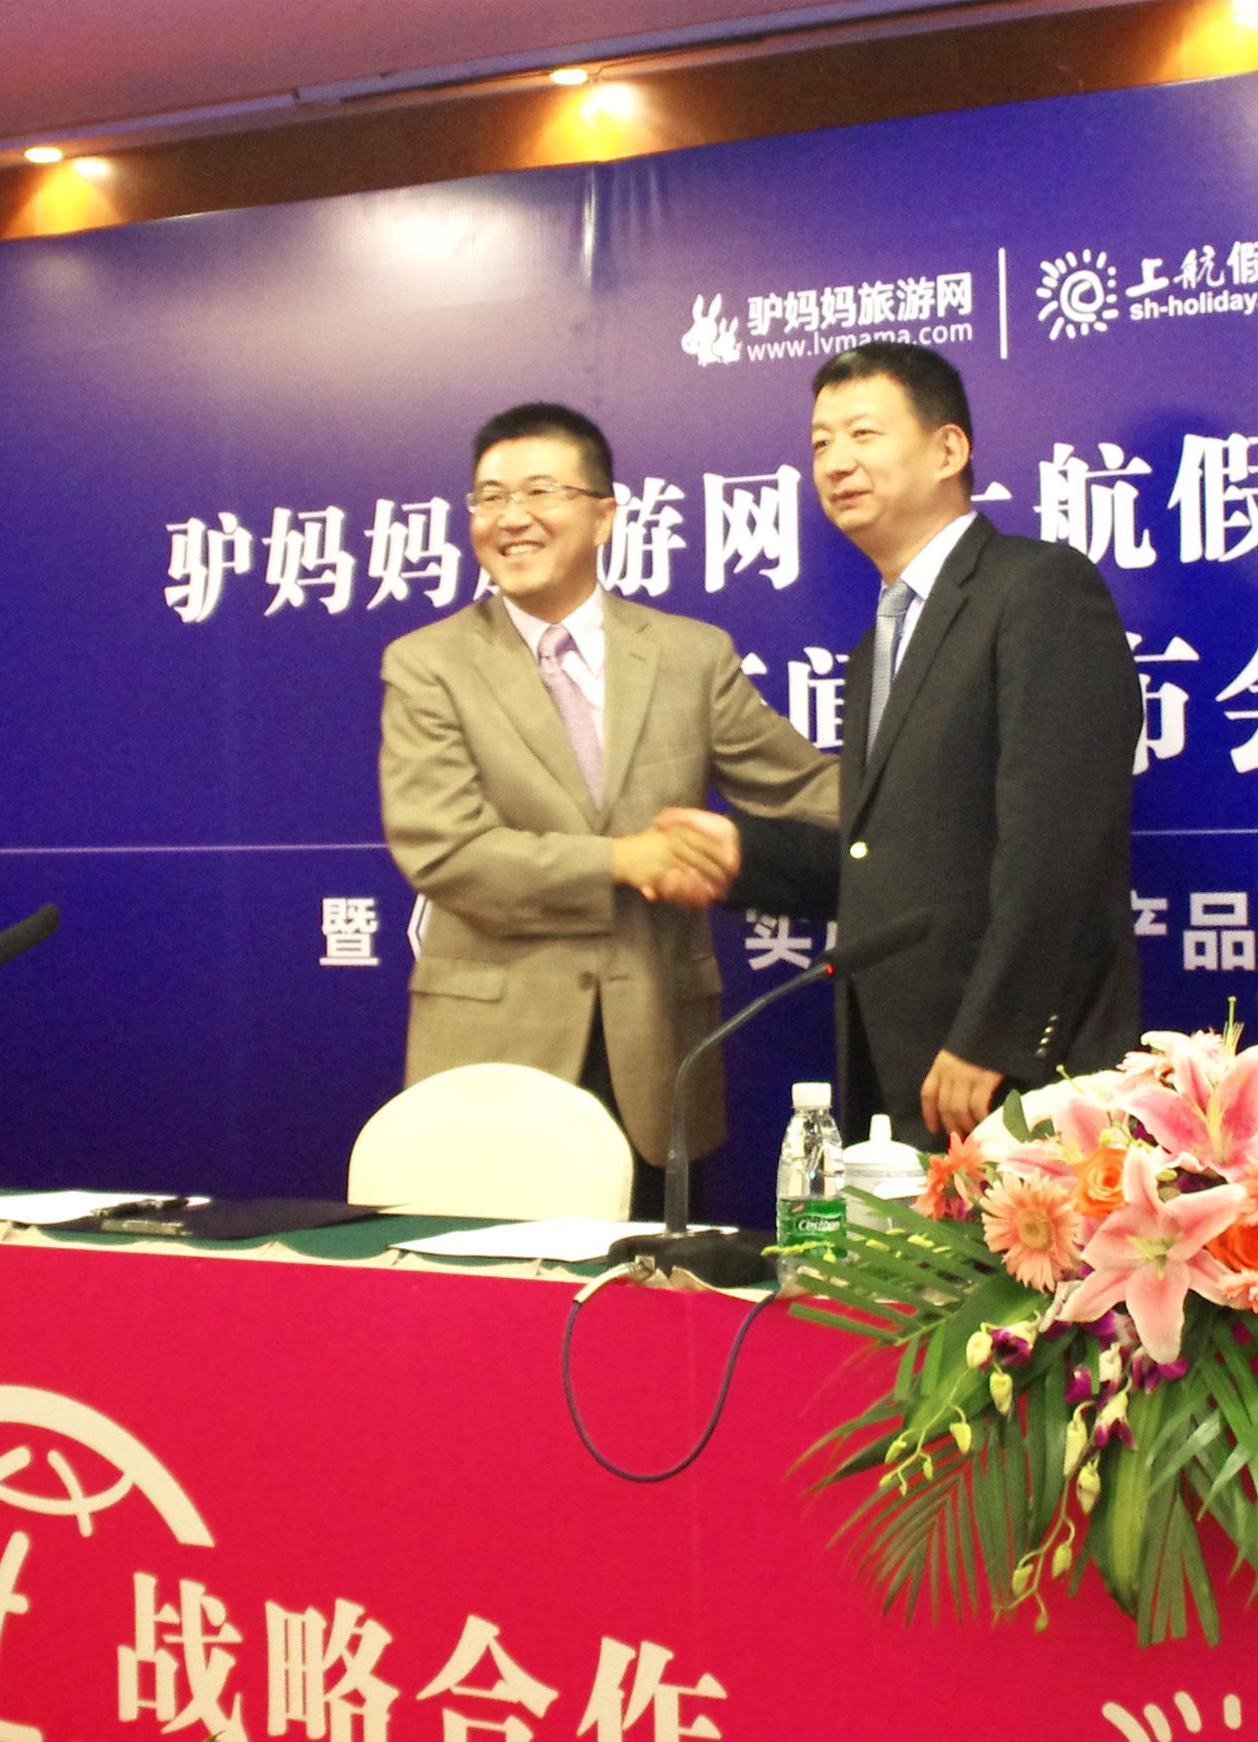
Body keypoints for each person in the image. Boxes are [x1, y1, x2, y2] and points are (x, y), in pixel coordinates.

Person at [669, 343, 1142, 1147]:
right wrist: (744, 858)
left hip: (1010, 1071)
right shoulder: (876, 647)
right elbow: (890, 858)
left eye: (863, 434)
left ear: (948, 450)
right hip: (895, 1065)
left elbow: (1059, 841)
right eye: (821, 443)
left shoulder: (1036, 589)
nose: (835, 463)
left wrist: (993, 1034)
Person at [379, 402, 837, 1216]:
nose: (510, 517)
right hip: (493, 1057)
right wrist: (624, 860)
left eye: (540, 491)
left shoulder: (690, 655)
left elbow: (808, 791)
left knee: (648, 1282)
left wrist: (935, 811)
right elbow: (445, 851)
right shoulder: (428, 664)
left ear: (604, 516)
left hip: (654, 1051)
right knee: (483, 1287)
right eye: (489, 498)